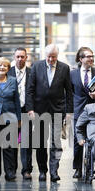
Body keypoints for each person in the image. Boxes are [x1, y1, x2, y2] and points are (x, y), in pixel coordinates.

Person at [25, 44, 73, 182]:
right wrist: (30, 108)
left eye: (54, 57)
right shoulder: (36, 66)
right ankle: (42, 170)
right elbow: (30, 89)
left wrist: (69, 111)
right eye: (49, 57)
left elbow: (69, 91)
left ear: (57, 56)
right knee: (40, 142)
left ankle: (54, 171)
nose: (51, 59)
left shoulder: (64, 68)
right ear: (44, 55)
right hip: (39, 110)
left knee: (56, 143)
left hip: (58, 109)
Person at [70, 46, 95, 179]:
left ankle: (94, 167)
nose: (91, 59)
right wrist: (69, 111)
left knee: (94, 138)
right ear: (81, 59)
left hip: (94, 109)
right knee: (77, 139)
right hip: (79, 110)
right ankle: (78, 168)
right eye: (88, 57)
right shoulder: (72, 73)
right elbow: (70, 92)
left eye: (92, 56)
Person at [7, 47, 32, 180]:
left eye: (22, 56)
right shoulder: (8, 72)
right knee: (11, 142)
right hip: (11, 111)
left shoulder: (32, 72)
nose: (20, 59)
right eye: (17, 56)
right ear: (14, 57)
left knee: (26, 143)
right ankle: (11, 171)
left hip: (27, 111)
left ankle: (26, 170)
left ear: (26, 57)